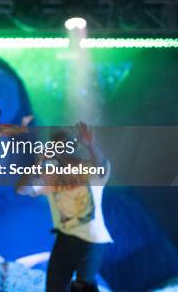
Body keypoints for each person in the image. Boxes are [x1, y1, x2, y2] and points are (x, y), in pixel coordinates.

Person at [16, 122, 113, 292]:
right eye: (56, 143)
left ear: (73, 145)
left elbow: (102, 166)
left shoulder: (89, 168)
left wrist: (91, 145)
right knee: (55, 287)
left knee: (83, 286)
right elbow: (21, 189)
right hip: (65, 239)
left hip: (91, 239)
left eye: (65, 143)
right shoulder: (51, 176)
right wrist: (38, 161)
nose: (60, 148)